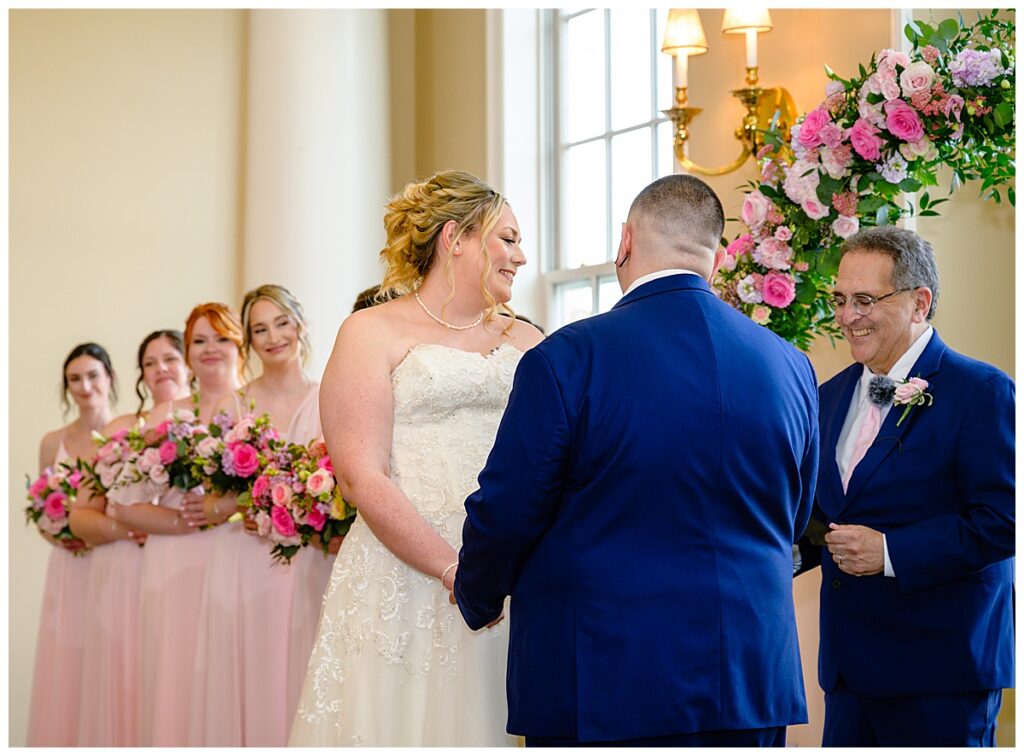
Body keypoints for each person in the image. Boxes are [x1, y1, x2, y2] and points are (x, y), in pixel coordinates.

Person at [454, 174, 819, 747]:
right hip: (747, 679)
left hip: (604, 677)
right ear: (716, 258)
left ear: (624, 241)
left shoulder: (568, 358)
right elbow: (794, 516)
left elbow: (510, 508)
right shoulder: (790, 366)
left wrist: (476, 595)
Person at [289, 170, 543, 746]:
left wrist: (496, 570)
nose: (521, 256)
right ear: (456, 238)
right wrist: (453, 569)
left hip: (511, 573)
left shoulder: (529, 341)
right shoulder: (369, 332)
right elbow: (360, 474)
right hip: (403, 571)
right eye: (507, 238)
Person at [794, 226, 1014, 747]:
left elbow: (1006, 520)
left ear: (920, 303)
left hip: (941, 671)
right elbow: (827, 516)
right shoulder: (829, 395)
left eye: (865, 300)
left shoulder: (982, 391)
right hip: (848, 673)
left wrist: (891, 552)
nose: (847, 317)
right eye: (841, 300)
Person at [187, 285, 334, 747]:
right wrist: (252, 501)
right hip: (248, 564)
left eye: (282, 323)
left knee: (307, 673)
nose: (274, 337)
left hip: (313, 560)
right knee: (255, 675)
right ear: (249, 341)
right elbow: (212, 505)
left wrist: (301, 505)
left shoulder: (329, 397)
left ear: (300, 325)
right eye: (260, 329)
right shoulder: (234, 407)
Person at [108, 312, 243, 745]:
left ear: (238, 345)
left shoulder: (252, 408)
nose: (209, 349)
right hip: (171, 559)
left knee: (223, 670)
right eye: (198, 341)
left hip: (235, 554)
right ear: (189, 353)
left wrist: (221, 509)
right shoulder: (166, 415)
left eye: (219, 339)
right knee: (171, 672)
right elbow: (121, 503)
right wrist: (180, 522)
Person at [25, 343, 115, 746]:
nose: (85, 386)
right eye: (74, 379)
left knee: (106, 656)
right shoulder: (52, 442)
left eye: (93, 375)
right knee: (64, 660)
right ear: (66, 387)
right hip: (67, 564)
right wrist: (62, 534)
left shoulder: (125, 435)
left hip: (111, 561)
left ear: (109, 378)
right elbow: (41, 512)